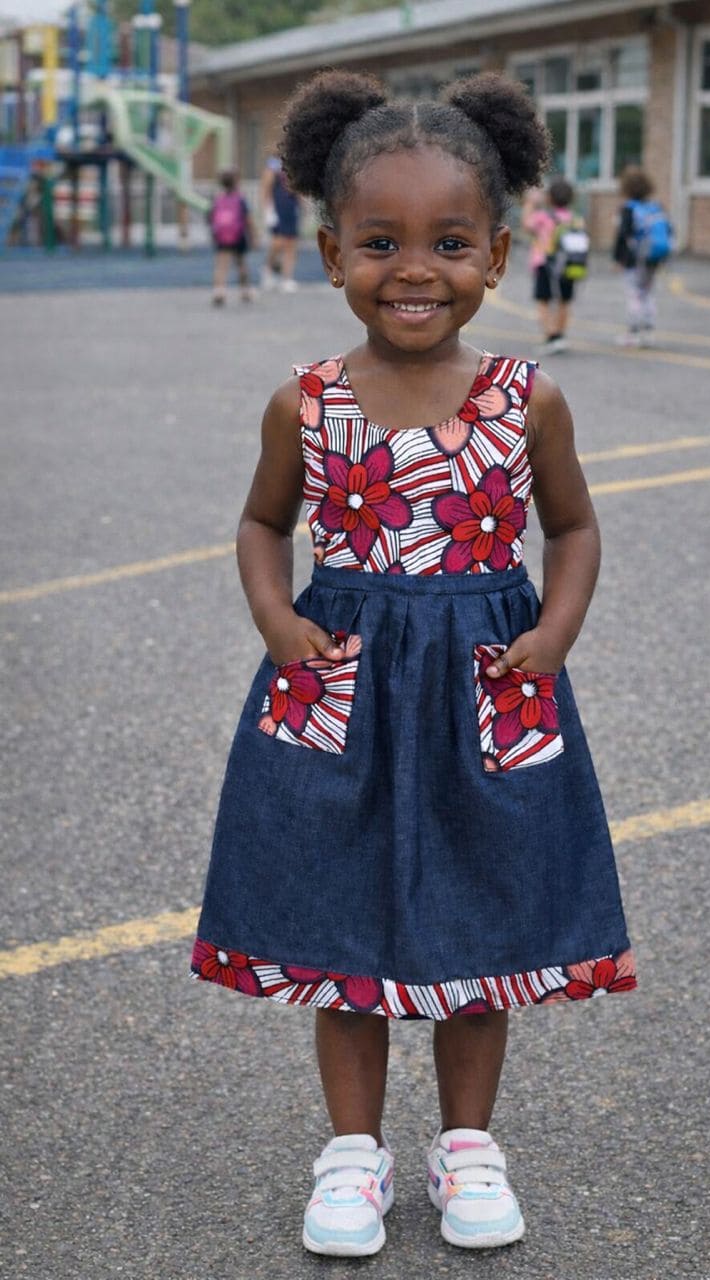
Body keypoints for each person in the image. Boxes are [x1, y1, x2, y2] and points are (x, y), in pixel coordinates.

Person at [190, 69, 636, 1259]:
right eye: (380, 242)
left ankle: (467, 1144)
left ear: (497, 255)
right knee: (342, 919)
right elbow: (262, 522)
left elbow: (574, 528)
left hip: (487, 690)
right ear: (332, 252)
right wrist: (276, 619)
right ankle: (352, 1153)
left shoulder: (527, 400)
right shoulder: (306, 403)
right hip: (342, 688)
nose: (414, 269)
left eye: (448, 241)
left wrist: (555, 630)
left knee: (481, 917)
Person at [611, 165, 672, 346]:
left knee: (634, 294)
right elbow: (669, 231)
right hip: (655, 257)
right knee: (648, 293)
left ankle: (634, 333)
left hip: (635, 259)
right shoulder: (656, 207)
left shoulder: (628, 209)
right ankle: (648, 332)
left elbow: (623, 236)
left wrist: (617, 259)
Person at [521, 177, 584, 354]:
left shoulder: (543, 217)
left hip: (545, 263)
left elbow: (526, 225)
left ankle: (551, 336)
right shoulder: (574, 218)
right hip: (569, 264)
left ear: (549, 197)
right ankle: (560, 335)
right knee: (565, 300)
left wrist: (529, 203)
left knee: (543, 300)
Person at [208, 169, 255, 306]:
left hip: (222, 236)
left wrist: (214, 234)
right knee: (241, 264)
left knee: (221, 265)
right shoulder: (240, 199)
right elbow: (248, 219)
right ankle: (245, 291)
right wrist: (253, 235)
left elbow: (212, 218)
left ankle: (219, 292)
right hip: (238, 235)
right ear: (236, 182)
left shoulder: (218, 199)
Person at [260, 154, 301, 292]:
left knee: (291, 244)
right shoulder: (272, 166)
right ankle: (267, 270)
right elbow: (265, 190)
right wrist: (267, 211)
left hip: (291, 208)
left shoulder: (294, 166)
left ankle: (287, 278)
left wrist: (303, 206)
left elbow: (298, 189)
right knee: (278, 242)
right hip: (278, 210)